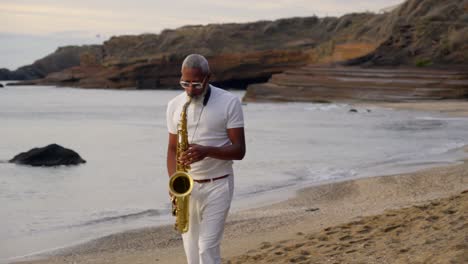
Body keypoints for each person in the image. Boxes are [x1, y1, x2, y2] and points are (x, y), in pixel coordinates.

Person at [166, 54, 246, 264]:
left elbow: (239, 150)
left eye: (196, 84)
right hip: (188, 188)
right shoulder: (174, 105)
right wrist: (174, 184)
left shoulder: (229, 102)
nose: (190, 90)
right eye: (185, 83)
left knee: (206, 249)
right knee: (192, 254)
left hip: (218, 184)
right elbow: (173, 149)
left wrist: (207, 150)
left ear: (208, 77)